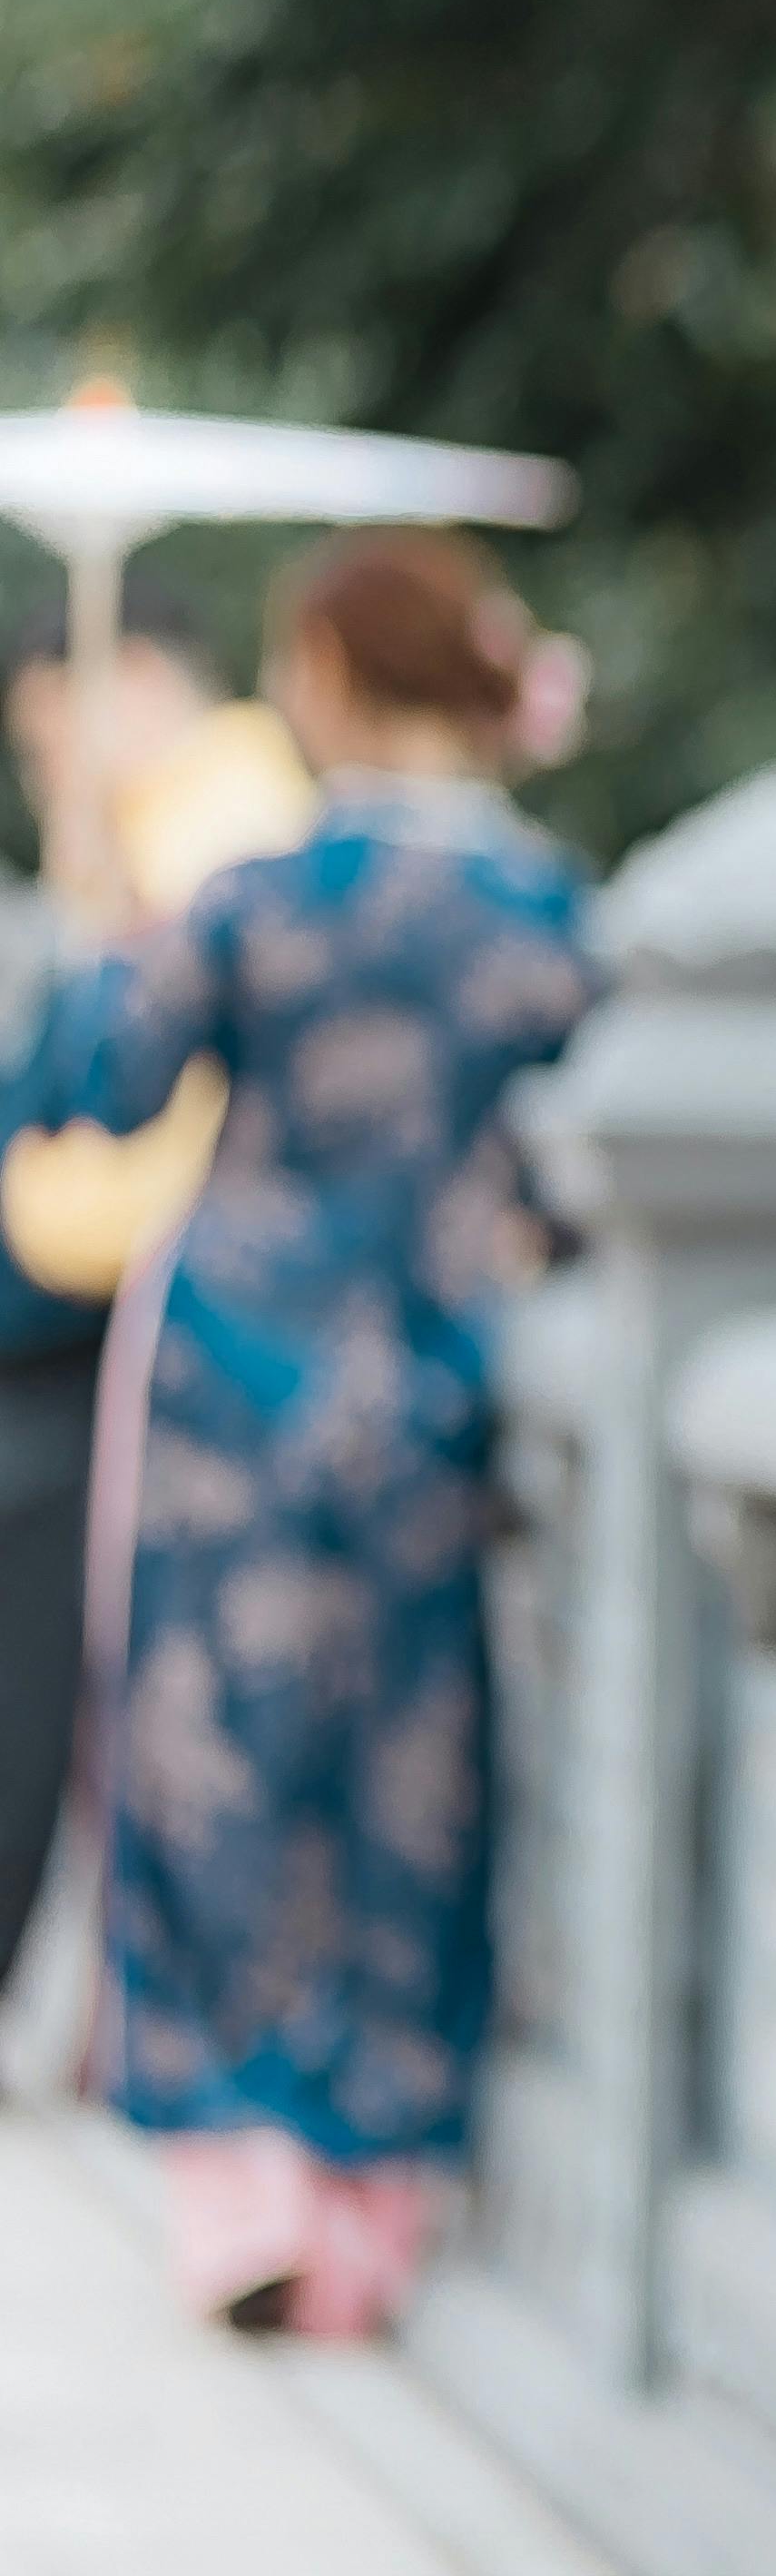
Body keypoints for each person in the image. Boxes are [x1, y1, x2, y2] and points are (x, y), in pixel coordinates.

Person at [34, 531, 599, 2332]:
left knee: (216, 1770)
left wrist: (101, 888)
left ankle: (244, 2190)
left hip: (230, 1390)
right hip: (433, 1392)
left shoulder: (260, 892)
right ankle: (371, 2210)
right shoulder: (551, 916)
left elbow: (86, 1083)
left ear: (337, 680)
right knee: (408, 1782)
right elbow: (593, 1183)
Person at [0, 590, 221, 2016]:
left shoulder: (212, 854)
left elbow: (108, 1152)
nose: (44, 778)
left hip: (108, 1346)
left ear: (126, 680)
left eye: (42, 744)